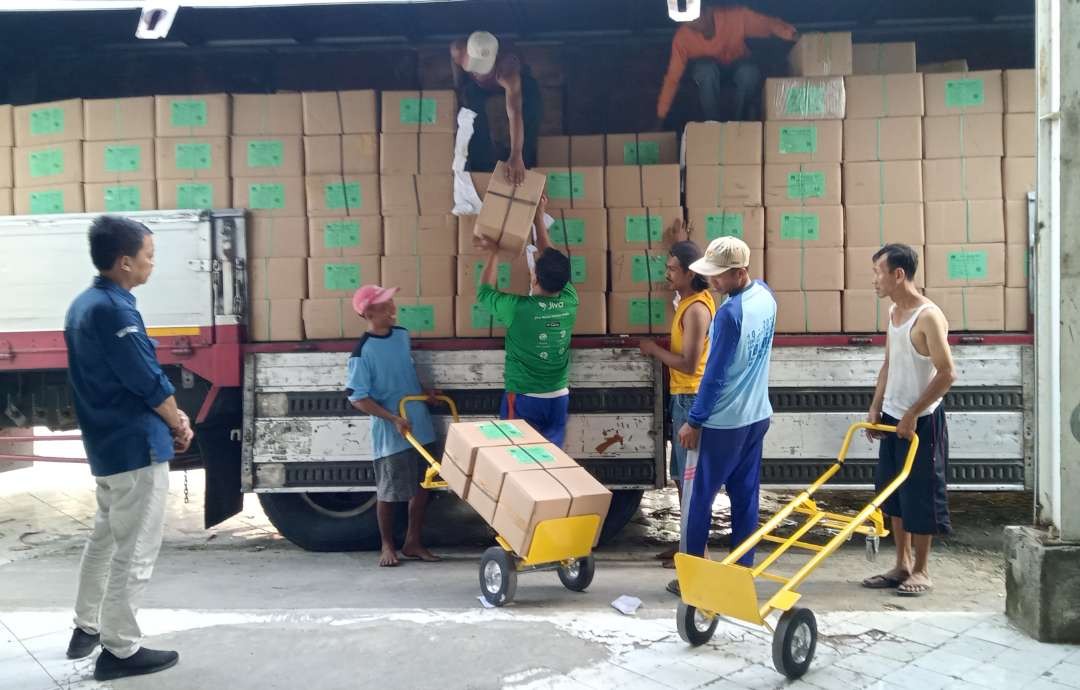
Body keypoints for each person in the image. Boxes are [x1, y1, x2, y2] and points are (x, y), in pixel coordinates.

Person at [64, 215, 193, 681]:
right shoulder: (116, 310)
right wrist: (178, 420)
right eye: (148, 256)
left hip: (108, 446)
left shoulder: (85, 304)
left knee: (105, 539)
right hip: (135, 446)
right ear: (124, 262)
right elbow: (147, 380)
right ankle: (120, 649)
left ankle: (87, 626)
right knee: (134, 549)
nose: (151, 264)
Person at [670, 236, 775, 595]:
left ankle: (694, 579)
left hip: (723, 423)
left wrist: (694, 420)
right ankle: (740, 573)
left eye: (719, 277)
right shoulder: (765, 296)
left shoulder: (729, 314)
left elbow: (713, 375)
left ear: (740, 272)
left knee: (698, 500)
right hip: (756, 415)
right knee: (745, 498)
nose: (712, 282)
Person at [862, 244, 956, 597]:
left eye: (877, 272)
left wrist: (912, 413)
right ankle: (901, 564)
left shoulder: (927, 317)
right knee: (893, 493)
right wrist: (875, 407)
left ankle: (922, 569)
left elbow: (947, 373)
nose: (874, 280)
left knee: (922, 494)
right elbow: (889, 363)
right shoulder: (893, 313)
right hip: (892, 416)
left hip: (922, 421)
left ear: (897, 274)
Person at [346, 285, 442, 568]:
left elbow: (408, 367)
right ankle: (387, 545)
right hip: (394, 431)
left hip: (419, 422)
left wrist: (427, 391)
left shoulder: (401, 336)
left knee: (423, 486)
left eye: (391, 302)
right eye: (386, 304)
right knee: (389, 492)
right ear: (369, 312)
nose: (393, 308)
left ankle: (413, 542)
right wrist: (393, 419)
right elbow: (358, 398)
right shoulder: (362, 352)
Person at [476, 194, 578, 446]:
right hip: (559, 397)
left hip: (525, 399)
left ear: (534, 280)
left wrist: (494, 254)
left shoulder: (518, 309)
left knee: (518, 460)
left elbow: (485, 292)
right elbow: (550, 257)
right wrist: (538, 219)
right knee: (550, 460)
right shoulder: (569, 299)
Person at [639, 234, 716, 568]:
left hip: (691, 396)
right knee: (681, 476)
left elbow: (688, 362)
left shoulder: (697, 309)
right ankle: (687, 541)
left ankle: (697, 552)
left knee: (692, 478)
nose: (667, 274)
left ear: (689, 273)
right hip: (681, 396)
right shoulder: (685, 302)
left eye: (672, 269)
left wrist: (654, 350)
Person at [656, 2, 797, 124]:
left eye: (695, 19)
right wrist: (660, 116)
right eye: (687, 22)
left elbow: (766, 24)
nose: (693, 25)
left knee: (749, 73)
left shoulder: (734, 17)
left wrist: (792, 34)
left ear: (708, 10)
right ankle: (713, 124)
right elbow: (672, 78)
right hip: (709, 75)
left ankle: (737, 124)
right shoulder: (682, 38)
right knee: (705, 69)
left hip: (738, 67)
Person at [451, 30, 543, 184]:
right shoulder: (459, 50)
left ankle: (524, 163)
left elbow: (515, 113)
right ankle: (480, 165)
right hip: (480, 89)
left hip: (518, 85)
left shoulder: (508, 71)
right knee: (470, 108)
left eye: (484, 67)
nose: (479, 73)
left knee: (532, 105)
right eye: (475, 67)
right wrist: (457, 88)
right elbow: (456, 70)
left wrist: (516, 155)